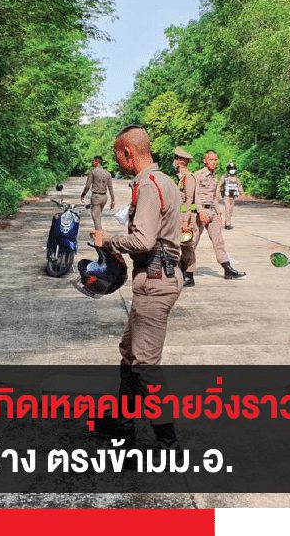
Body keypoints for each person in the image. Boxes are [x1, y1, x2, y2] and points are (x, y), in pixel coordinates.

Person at [91, 125, 183, 450]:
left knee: (144, 363)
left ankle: (166, 439)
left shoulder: (148, 185)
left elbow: (143, 240)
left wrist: (108, 240)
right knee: (129, 354)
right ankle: (122, 424)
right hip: (157, 278)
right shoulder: (166, 181)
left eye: (118, 154)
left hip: (156, 281)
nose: (117, 160)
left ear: (128, 152)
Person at [191, 150, 246, 280]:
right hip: (200, 213)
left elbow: (214, 197)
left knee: (219, 241)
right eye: (211, 160)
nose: (214, 162)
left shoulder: (215, 176)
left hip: (212, 213)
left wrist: (218, 213)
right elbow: (194, 196)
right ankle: (185, 270)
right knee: (192, 243)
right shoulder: (197, 175)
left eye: (216, 160)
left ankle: (227, 269)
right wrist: (200, 211)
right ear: (205, 161)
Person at [173, 147, 200, 287]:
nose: (174, 162)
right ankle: (182, 273)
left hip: (187, 219)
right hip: (180, 217)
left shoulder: (189, 178)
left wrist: (185, 221)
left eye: (175, 159)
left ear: (180, 162)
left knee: (187, 247)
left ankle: (189, 275)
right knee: (180, 246)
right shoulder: (180, 178)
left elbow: (189, 200)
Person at [81, 155, 115, 230]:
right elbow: (111, 188)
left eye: (93, 161)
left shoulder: (93, 172)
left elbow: (87, 186)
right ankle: (98, 239)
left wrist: (83, 194)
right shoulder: (108, 173)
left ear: (97, 162)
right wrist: (113, 200)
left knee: (96, 219)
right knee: (98, 217)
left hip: (96, 197)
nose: (92, 162)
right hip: (104, 198)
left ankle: (99, 240)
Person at [219, 161, 243, 229]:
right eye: (231, 169)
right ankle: (227, 224)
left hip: (233, 196)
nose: (232, 170)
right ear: (228, 169)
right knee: (227, 209)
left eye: (233, 169)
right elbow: (220, 184)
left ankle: (228, 222)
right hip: (226, 196)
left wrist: (241, 192)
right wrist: (218, 192)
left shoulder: (236, 178)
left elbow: (239, 185)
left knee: (231, 210)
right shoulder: (224, 177)